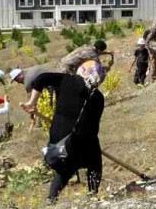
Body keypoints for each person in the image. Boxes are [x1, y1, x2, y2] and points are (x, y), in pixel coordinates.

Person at [31, 61, 107, 200]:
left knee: (65, 167)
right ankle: (92, 196)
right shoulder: (98, 97)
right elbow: (94, 126)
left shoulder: (66, 80)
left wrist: (32, 102)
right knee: (94, 162)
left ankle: (51, 198)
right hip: (82, 138)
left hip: (59, 137)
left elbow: (41, 79)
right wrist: (92, 144)